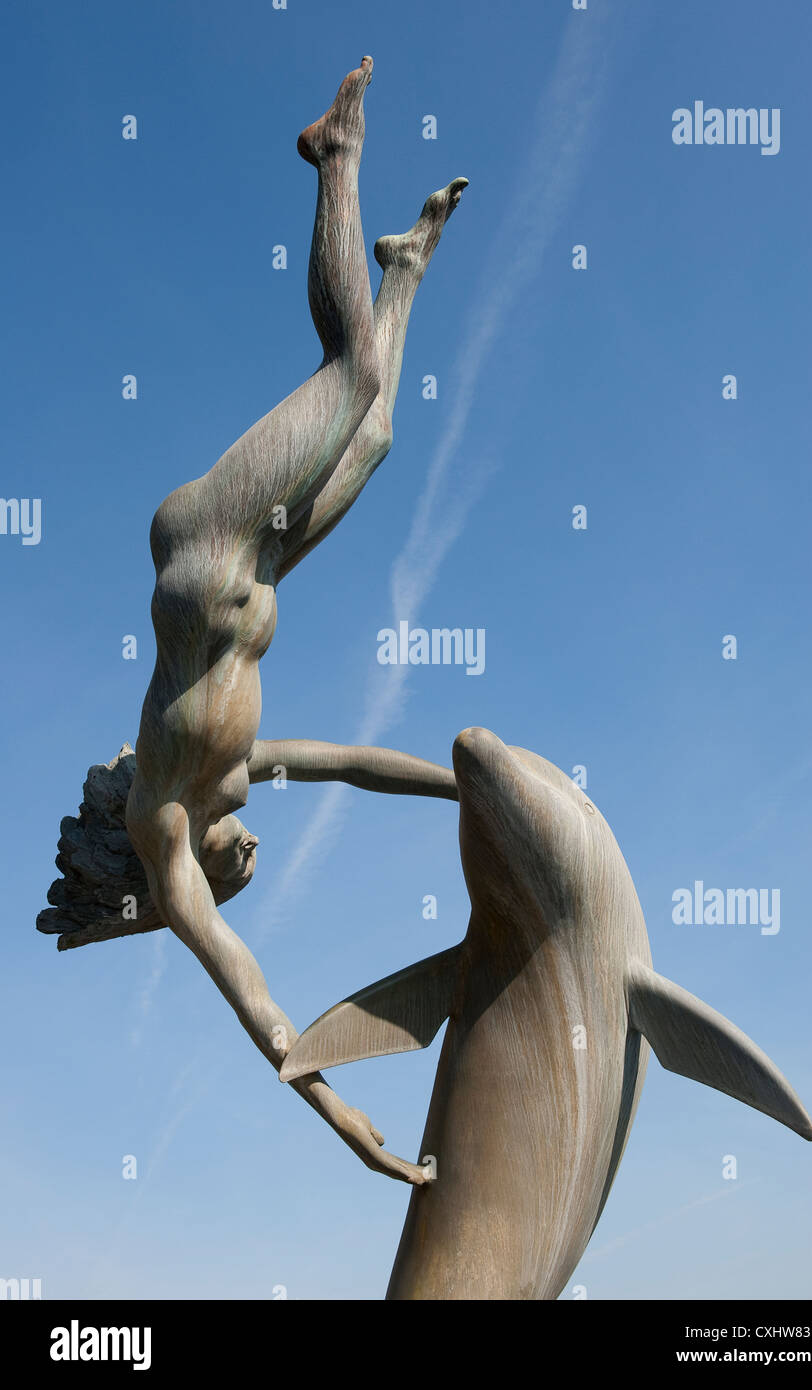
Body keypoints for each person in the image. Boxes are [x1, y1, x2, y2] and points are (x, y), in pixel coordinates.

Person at [122, 57, 465, 1185]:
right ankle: (404, 269)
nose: (253, 854)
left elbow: (250, 996)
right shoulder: (233, 778)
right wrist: (471, 787)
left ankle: (335, 154)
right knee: (374, 434)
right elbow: (355, 763)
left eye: (243, 869)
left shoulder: (165, 827)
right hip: (257, 563)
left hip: (204, 548)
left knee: (352, 366)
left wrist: (322, 1105)